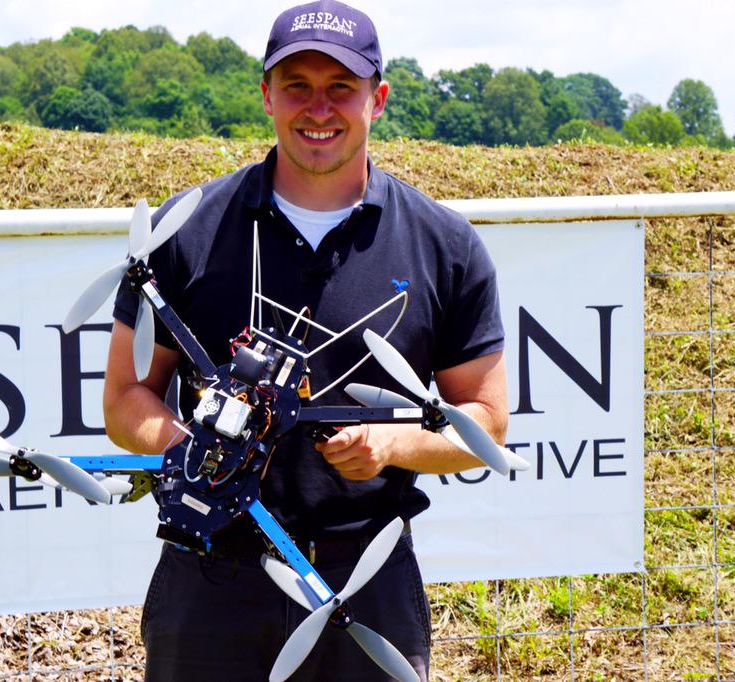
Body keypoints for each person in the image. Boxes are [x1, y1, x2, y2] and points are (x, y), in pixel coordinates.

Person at [104, 1, 508, 679]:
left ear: (376, 99)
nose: (317, 109)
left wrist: (392, 445)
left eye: (340, 89)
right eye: (297, 86)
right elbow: (124, 397)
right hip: (211, 579)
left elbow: (486, 419)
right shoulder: (186, 231)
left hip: (365, 580)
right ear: (266, 95)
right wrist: (193, 446)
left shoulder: (445, 246)